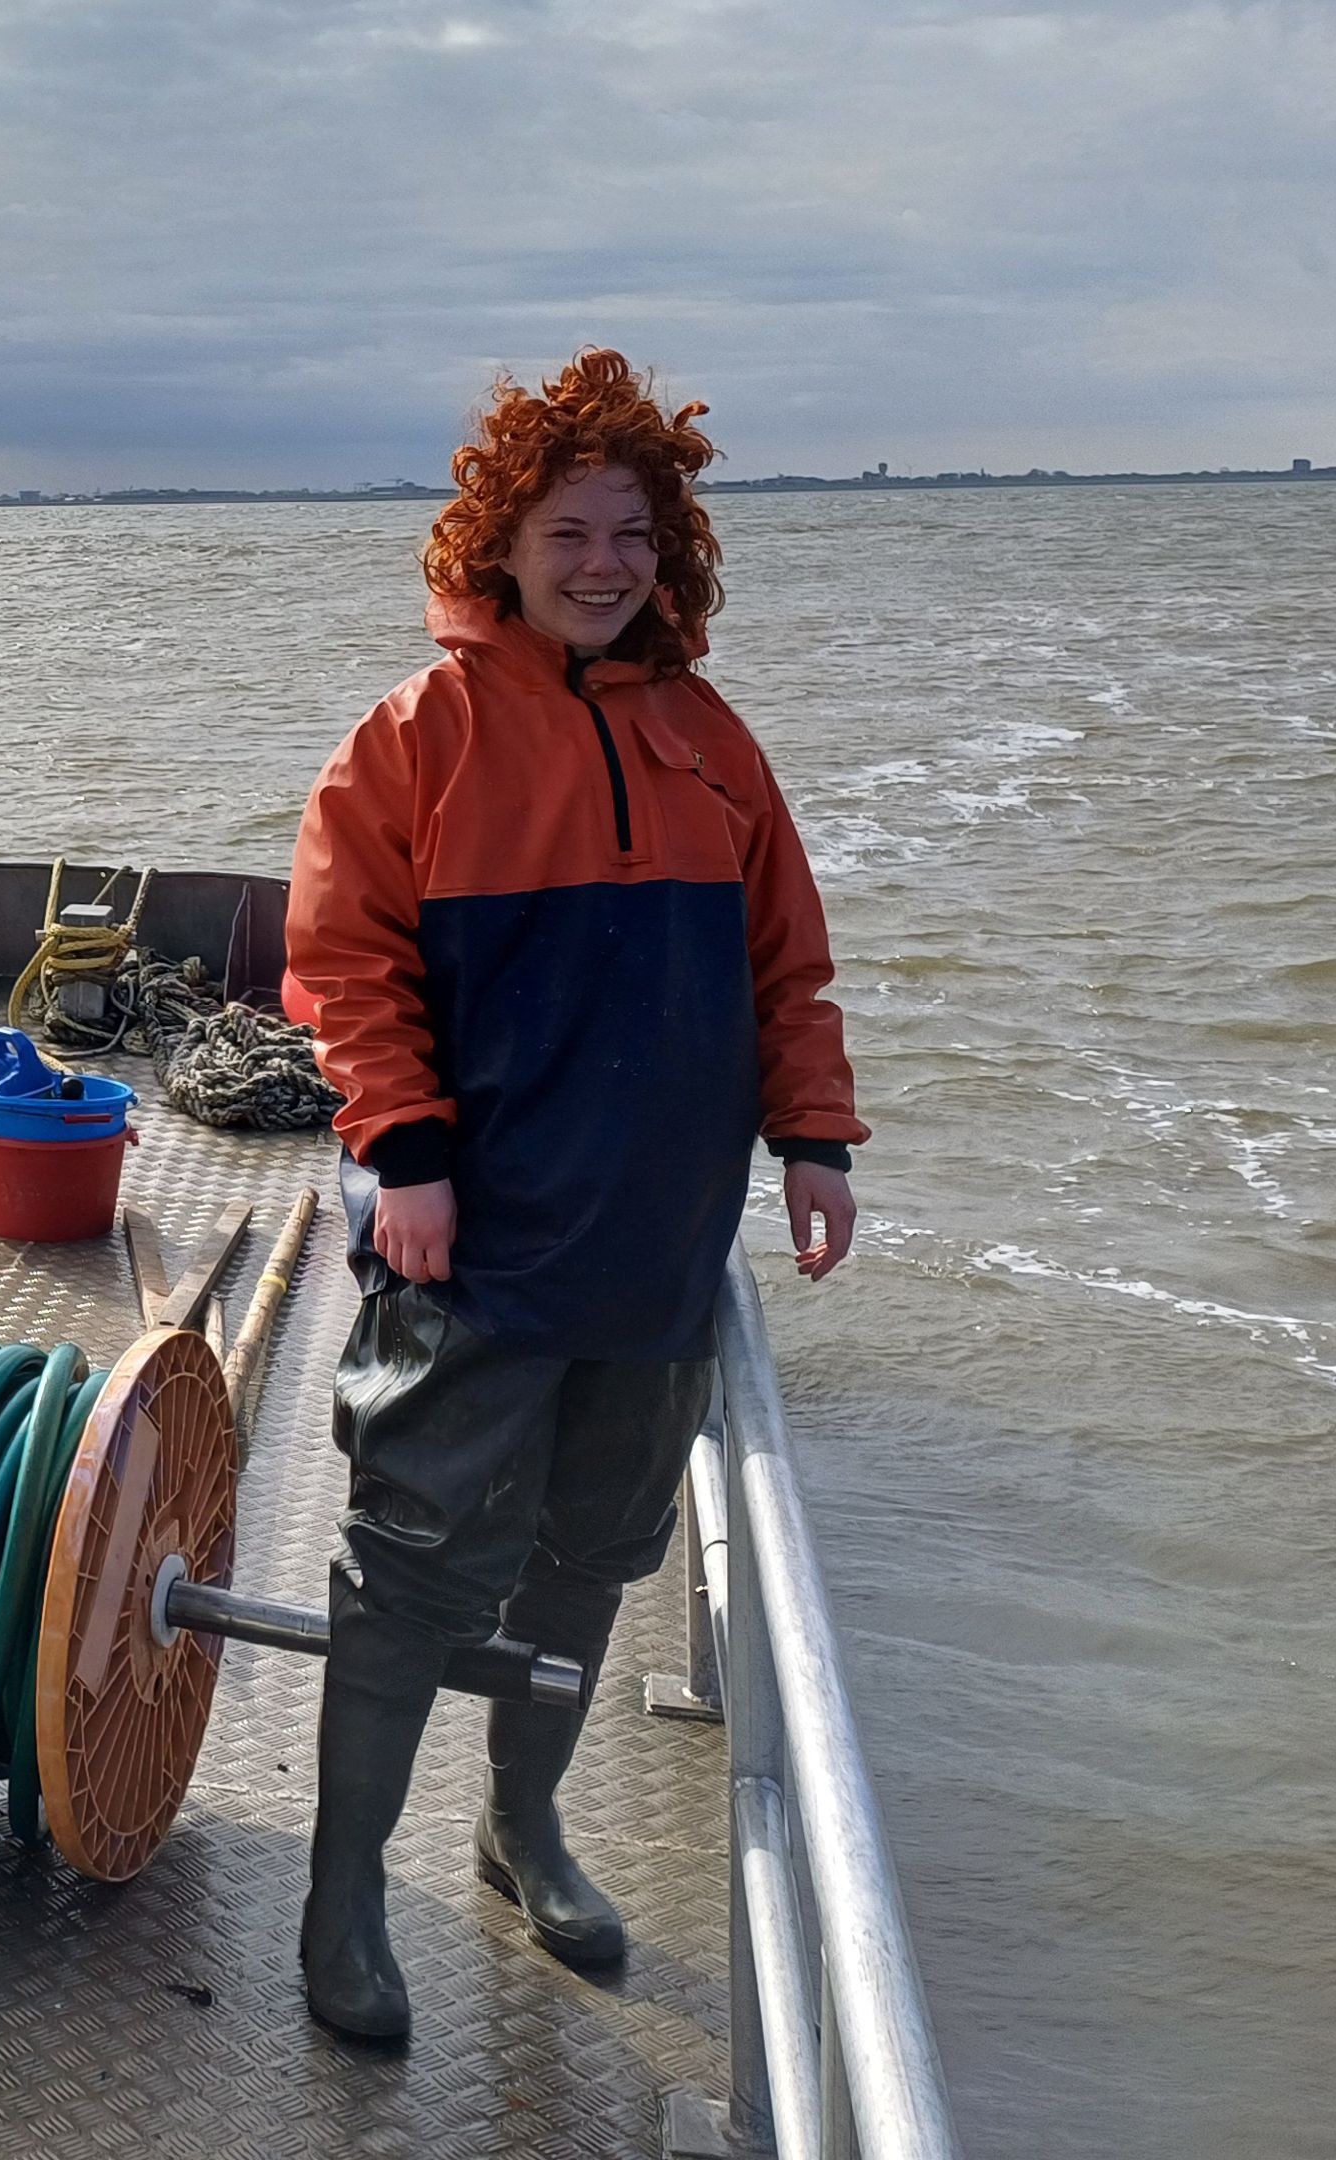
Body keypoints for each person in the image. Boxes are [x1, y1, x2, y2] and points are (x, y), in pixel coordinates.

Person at [282, 349, 865, 2044]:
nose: (604, 562)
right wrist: (406, 1156)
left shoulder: (712, 744)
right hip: (467, 1236)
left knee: (595, 1554)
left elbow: (787, 969)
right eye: (568, 530)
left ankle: (520, 1825)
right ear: (502, 545)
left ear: (668, 556)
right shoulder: (419, 738)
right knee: (410, 1562)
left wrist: (814, 1140)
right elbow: (344, 966)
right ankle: (343, 1900)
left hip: (656, 1243)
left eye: (633, 533)